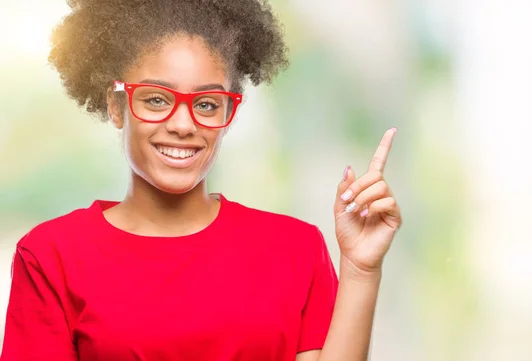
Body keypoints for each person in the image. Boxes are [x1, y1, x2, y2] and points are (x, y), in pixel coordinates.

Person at [1, 1, 401, 360]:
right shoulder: (52, 257)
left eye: (207, 104)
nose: (182, 124)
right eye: (156, 99)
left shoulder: (295, 249)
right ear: (116, 106)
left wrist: (361, 270)